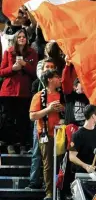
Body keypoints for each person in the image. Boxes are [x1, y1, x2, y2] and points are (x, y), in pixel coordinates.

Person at [0, 29, 38, 154]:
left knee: (22, 119)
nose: (22, 39)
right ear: (16, 39)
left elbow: (35, 73)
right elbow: (2, 71)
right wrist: (13, 68)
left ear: (27, 39)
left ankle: (22, 145)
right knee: (8, 119)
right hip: (9, 91)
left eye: (24, 37)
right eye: (19, 37)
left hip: (24, 92)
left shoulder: (32, 53)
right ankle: (9, 144)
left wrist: (25, 65)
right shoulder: (9, 52)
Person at [30, 69, 65, 200]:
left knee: (63, 164)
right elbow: (32, 116)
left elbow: (69, 111)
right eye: (57, 77)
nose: (59, 79)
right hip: (45, 134)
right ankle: (50, 192)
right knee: (48, 164)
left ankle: (62, 191)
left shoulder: (63, 95)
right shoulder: (39, 96)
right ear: (49, 79)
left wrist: (63, 109)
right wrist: (48, 109)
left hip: (61, 134)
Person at [26, 58, 56, 191]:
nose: (49, 69)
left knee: (52, 159)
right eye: (46, 67)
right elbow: (33, 112)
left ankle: (49, 185)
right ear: (42, 70)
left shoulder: (59, 89)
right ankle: (34, 181)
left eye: (52, 67)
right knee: (37, 153)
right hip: (40, 126)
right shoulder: (37, 85)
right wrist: (48, 109)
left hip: (55, 129)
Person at [69, 105, 96, 174]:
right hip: (85, 175)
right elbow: (71, 156)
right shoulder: (77, 135)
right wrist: (86, 166)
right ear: (93, 116)